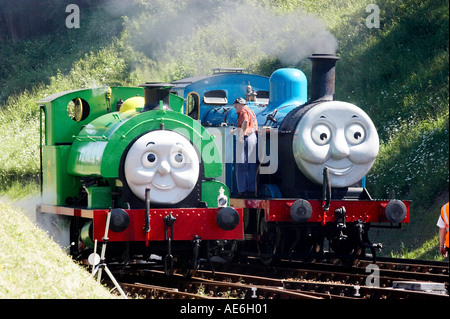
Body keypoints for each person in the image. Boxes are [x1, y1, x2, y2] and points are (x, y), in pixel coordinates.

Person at [232, 97, 258, 197]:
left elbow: (245, 122)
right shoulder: (251, 110)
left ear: (240, 105)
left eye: (235, 106)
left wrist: (241, 135)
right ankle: (251, 190)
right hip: (253, 137)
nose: (235, 107)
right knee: (251, 164)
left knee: (241, 164)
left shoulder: (243, 111)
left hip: (246, 138)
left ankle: (242, 191)